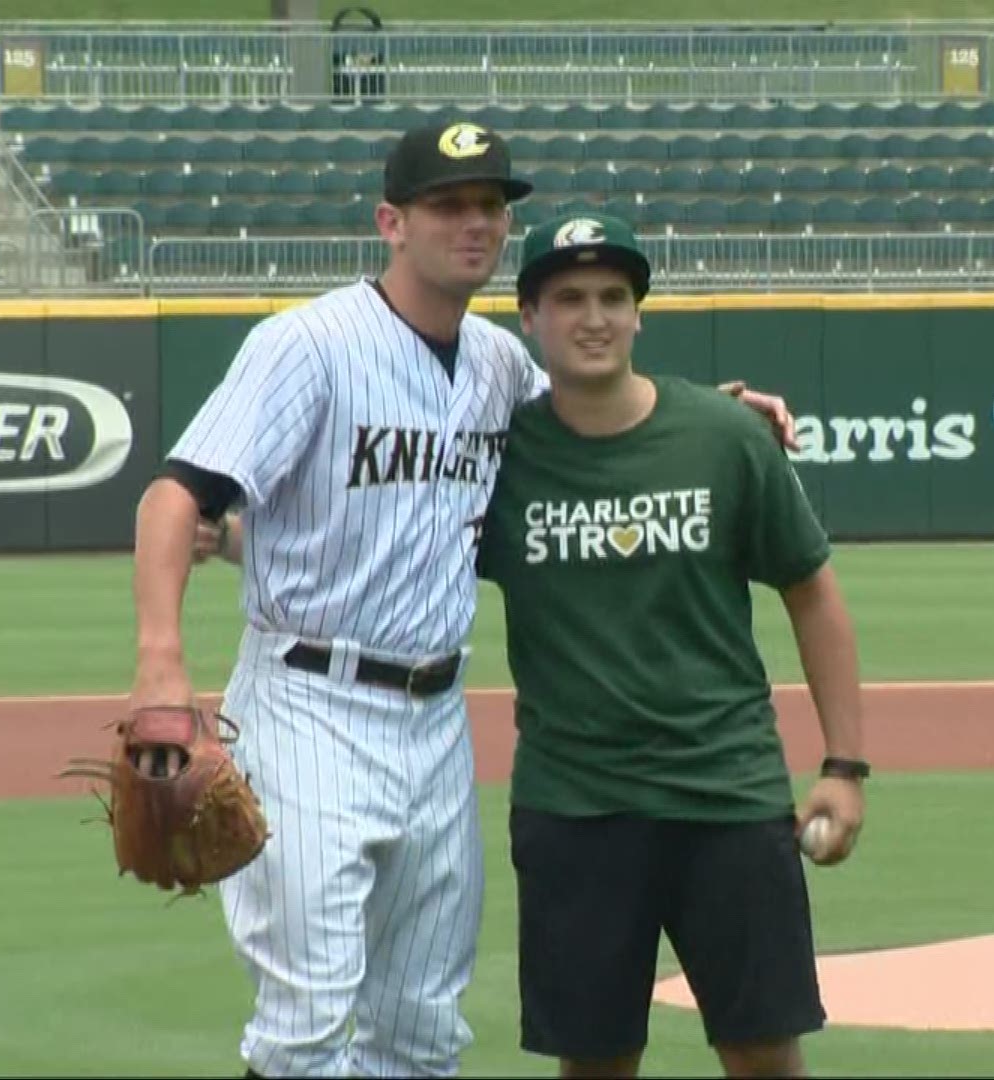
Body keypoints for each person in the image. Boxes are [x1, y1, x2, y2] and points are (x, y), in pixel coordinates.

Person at [144, 120, 797, 1079]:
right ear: (391, 223)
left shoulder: (499, 367)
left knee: (419, 1029)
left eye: (490, 204)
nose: (475, 222)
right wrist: (162, 663)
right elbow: (175, 496)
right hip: (310, 699)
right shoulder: (307, 344)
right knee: (309, 1021)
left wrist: (714, 410)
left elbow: (597, 414)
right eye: (448, 204)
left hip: (435, 721)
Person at [474, 212, 869, 1079]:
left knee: (764, 1052)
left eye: (614, 297)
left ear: (639, 315)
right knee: (596, 1062)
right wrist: (239, 537)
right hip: (575, 805)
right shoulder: (498, 460)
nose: (594, 316)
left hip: (724, 795)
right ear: (528, 317)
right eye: (568, 297)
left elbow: (813, 591)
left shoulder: (723, 439)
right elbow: (381, 539)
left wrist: (844, 764)